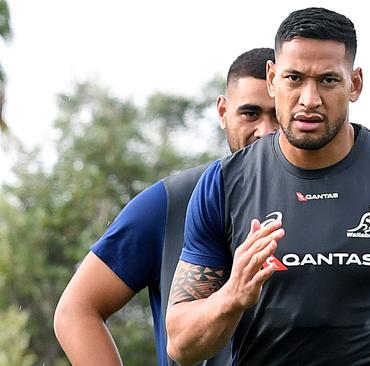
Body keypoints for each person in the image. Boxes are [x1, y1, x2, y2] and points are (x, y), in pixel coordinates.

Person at [167, 7, 370, 366]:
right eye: (294, 78)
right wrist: (233, 294)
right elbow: (182, 347)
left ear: (354, 84)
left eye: (328, 80)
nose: (309, 99)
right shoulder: (224, 183)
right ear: (273, 78)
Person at [53, 47, 278, 366]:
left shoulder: (334, 200)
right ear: (223, 111)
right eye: (250, 113)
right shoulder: (169, 202)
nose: (266, 131)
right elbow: (75, 310)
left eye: (277, 115)